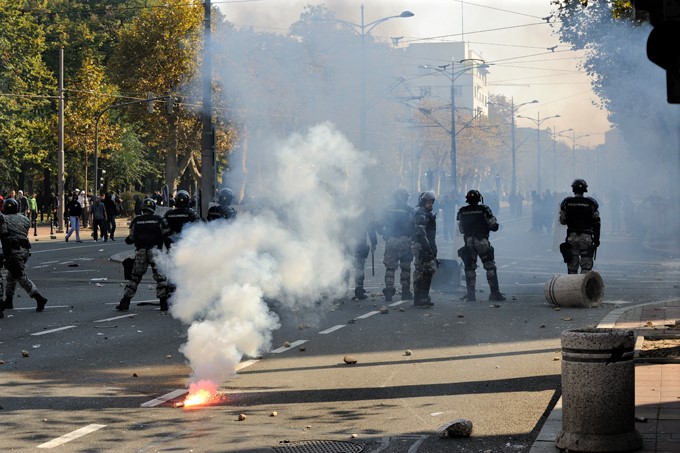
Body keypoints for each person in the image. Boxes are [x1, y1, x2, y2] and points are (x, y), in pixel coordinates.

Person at [117, 198, 171, 311]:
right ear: (153, 208)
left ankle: (125, 302)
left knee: (135, 277)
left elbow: (130, 238)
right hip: (156, 252)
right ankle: (163, 303)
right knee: (160, 277)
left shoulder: (136, 220)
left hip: (141, 251)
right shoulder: (159, 220)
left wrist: (129, 240)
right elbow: (166, 236)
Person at [457, 189, 506, 302]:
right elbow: (494, 226)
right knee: (489, 266)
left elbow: (461, 230)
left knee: (469, 267)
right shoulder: (484, 209)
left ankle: (471, 295)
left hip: (469, 241)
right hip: (482, 241)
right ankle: (494, 293)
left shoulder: (462, 211)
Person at [0, 198, 48, 312]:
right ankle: (9, 300)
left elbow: (4, 236)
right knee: (11, 275)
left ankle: (38, 297)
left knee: (20, 275)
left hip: (14, 250)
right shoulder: (25, 219)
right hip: (25, 250)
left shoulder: (4, 219)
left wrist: (6, 254)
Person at [559, 179, 601, 274]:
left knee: (572, 268)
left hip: (572, 238)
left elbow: (562, 221)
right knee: (586, 268)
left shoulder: (567, 203)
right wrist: (597, 240)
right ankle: (583, 287)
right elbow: (597, 223)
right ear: (585, 190)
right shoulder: (591, 203)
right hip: (586, 238)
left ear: (573, 190)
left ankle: (573, 287)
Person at [380, 188, 414, 301]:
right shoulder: (409, 209)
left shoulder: (387, 209)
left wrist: (385, 235)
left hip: (391, 240)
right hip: (405, 240)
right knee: (405, 268)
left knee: (390, 268)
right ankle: (405, 292)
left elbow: (380, 224)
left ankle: (389, 292)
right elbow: (414, 225)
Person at [411, 191, 437, 308]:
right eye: (428, 202)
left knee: (422, 271)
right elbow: (421, 233)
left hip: (424, 244)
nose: (430, 204)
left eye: (431, 202)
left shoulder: (426, 213)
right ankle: (421, 297)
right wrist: (428, 249)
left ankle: (420, 298)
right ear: (423, 202)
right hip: (421, 245)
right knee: (425, 270)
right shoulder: (421, 213)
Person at [349, 218, 378, 301]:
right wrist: (374, 243)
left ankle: (342, 292)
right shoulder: (364, 216)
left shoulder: (346, 213)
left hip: (348, 245)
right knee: (359, 268)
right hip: (359, 245)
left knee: (346, 268)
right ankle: (359, 291)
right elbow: (371, 230)